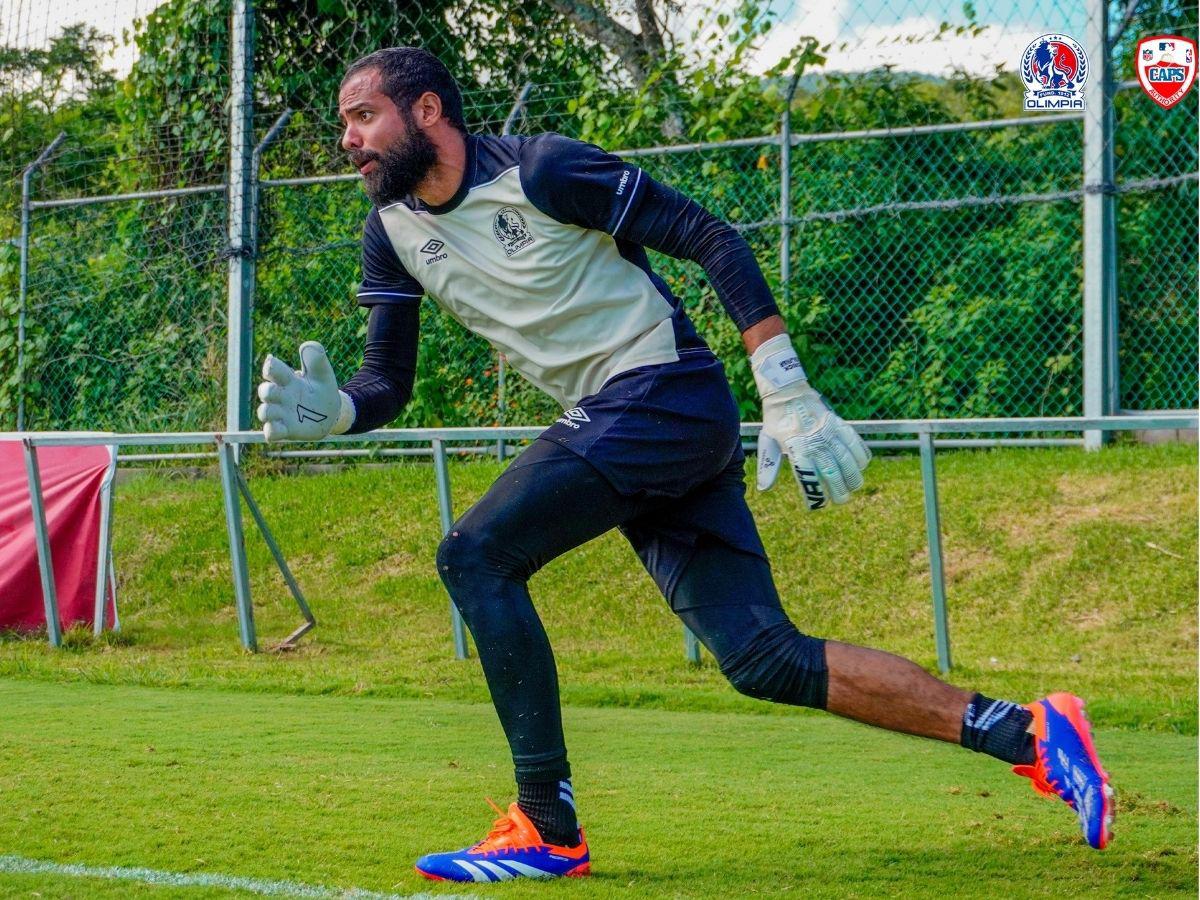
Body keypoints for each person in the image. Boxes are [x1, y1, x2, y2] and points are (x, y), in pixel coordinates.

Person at [256, 47, 1114, 883]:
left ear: (428, 111)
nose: (348, 139)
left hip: (661, 393)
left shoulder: (545, 170)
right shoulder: (391, 233)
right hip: (628, 424)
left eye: (363, 116)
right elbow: (387, 382)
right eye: (344, 123)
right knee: (763, 659)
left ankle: (546, 830)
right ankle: (1030, 734)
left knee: (474, 555)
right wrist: (338, 414)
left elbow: (708, 233)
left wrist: (787, 387)